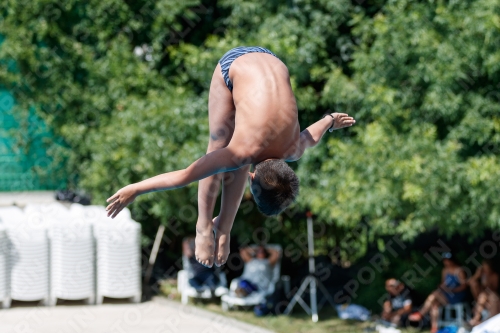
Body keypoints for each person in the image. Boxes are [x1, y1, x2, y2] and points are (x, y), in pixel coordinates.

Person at [105, 46, 356, 268]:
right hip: (231, 67)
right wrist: (135, 189)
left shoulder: (294, 150)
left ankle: (223, 228)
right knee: (218, 145)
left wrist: (331, 120)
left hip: (270, 58)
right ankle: (205, 227)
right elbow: (184, 176)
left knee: (238, 154)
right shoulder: (240, 153)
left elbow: (312, 134)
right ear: (252, 177)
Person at [409, 252, 468, 333]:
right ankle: (434, 328)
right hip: (447, 295)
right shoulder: (445, 270)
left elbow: (464, 286)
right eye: (444, 260)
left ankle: (421, 313)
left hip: (457, 296)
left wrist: (452, 290)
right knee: (435, 304)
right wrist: (442, 287)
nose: (446, 262)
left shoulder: (460, 271)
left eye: (448, 260)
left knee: (434, 294)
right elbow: (444, 283)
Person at [468, 259, 499, 326]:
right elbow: (470, 283)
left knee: (488, 296)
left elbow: (494, 289)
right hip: (481, 295)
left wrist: (487, 282)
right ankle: (476, 318)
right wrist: (477, 275)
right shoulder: (481, 275)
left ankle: (484, 319)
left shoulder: (494, 276)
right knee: (475, 285)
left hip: (491, 295)